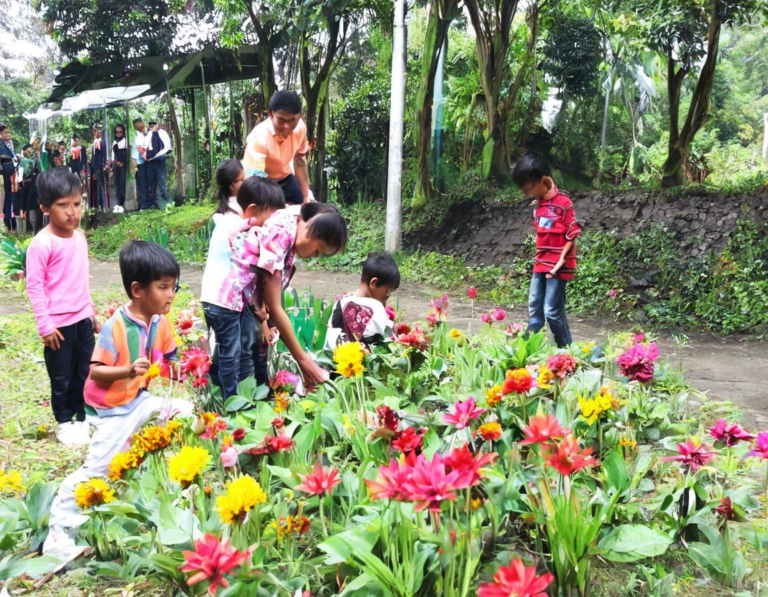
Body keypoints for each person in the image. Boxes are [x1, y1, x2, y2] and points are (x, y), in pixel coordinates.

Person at [43, 240, 194, 559]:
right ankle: (59, 527)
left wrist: (188, 365)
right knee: (96, 469)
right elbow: (95, 372)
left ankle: (171, 488)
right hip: (110, 410)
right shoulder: (116, 326)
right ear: (138, 289)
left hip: (139, 400)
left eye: (174, 287)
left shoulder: (159, 320)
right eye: (164, 287)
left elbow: (171, 357)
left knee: (185, 412)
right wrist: (127, 369)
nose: (171, 295)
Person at [25, 168, 97, 447]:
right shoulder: (41, 245)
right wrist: (45, 326)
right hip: (57, 327)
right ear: (45, 208)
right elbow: (35, 288)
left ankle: (83, 417)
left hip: (82, 320)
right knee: (62, 376)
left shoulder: (80, 239)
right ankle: (65, 422)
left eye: (77, 204)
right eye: (63, 205)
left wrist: (90, 312)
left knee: (85, 371)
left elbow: (81, 279)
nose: (72, 212)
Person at [238, 202, 347, 384]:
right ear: (312, 228)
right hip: (234, 301)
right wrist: (305, 361)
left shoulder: (293, 224)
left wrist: (265, 321)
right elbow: (275, 306)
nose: (316, 256)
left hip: (247, 304)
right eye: (318, 250)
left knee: (253, 367)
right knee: (243, 371)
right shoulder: (282, 232)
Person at [201, 167, 285, 399]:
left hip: (214, 299)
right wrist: (261, 309)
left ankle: (216, 384)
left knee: (228, 348)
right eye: (271, 216)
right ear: (252, 211)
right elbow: (252, 276)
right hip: (223, 302)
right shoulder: (243, 233)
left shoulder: (230, 223)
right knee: (232, 352)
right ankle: (232, 401)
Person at [512, 152, 582, 348]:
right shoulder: (539, 204)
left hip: (558, 267)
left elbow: (572, 234)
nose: (528, 194)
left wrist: (561, 263)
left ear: (544, 180)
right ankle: (525, 348)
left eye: (530, 189)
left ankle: (567, 351)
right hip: (540, 263)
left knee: (552, 311)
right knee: (534, 307)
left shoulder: (564, 203)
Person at [242, 90, 312, 205]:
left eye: (291, 120)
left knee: (301, 206)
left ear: (299, 116)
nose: (286, 126)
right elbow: (254, 182)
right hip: (263, 182)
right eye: (281, 120)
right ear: (271, 114)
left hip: (285, 177)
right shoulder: (259, 138)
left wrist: (305, 198)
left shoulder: (300, 128)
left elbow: (300, 160)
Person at [325, 252, 400, 349]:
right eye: (387, 291)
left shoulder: (341, 301)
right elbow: (387, 346)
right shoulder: (376, 307)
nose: (388, 296)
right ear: (374, 283)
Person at [144, 121, 171, 209]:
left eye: (153, 125)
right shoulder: (149, 134)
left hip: (159, 160)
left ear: (157, 125)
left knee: (162, 181)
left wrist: (157, 156)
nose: (152, 127)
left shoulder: (162, 133)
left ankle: (165, 202)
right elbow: (145, 145)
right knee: (150, 182)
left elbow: (167, 147)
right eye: (150, 126)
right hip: (150, 161)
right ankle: (152, 203)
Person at [18, 143, 43, 233]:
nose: (29, 153)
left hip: (32, 187)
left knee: (33, 207)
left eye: (30, 152)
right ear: (24, 151)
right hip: (23, 187)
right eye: (28, 152)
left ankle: (34, 228)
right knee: (24, 207)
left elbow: (39, 169)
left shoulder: (32, 161)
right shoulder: (21, 161)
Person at [0, 125, 18, 232]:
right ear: (1, 134)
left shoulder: (10, 144)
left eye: (9, 132)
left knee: (10, 198)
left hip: (12, 173)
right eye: (6, 133)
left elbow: (13, 158)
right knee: (5, 198)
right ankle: (7, 224)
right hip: (4, 174)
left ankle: (11, 225)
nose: (8, 134)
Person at [131, 118, 149, 210]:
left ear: (143, 123)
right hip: (141, 163)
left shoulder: (150, 132)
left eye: (139, 125)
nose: (138, 128)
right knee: (141, 184)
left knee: (150, 182)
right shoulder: (137, 137)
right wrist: (134, 164)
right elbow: (134, 150)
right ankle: (143, 204)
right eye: (136, 127)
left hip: (151, 162)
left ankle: (152, 202)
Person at [111, 124, 128, 211]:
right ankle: (118, 203)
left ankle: (123, 204)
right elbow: (113, 154)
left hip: (123, 165)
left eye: (120, 132)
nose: (118, 134)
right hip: (116, 165)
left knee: (122, 184)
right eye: (117, 132)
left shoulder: (125, 141)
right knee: (116, 184)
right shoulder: (114, 141)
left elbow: (126, 154)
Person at [90, 125, 107, 210]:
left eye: (100, 130)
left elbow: (102, 155)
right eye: (97, 130)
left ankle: (102, 206)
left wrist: (102, 166)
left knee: (100, 185)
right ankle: (97, 205)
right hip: (95, 167)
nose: (99, 132)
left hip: (99, 166)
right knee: (97, 185)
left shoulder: (101, 142)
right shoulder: (95, 142)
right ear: (94, 132)